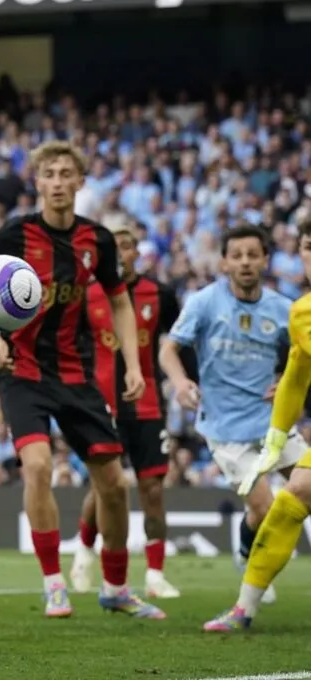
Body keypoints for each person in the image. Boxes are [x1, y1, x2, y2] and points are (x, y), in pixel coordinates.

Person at [0, 141, 163, 619]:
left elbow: (119, 299)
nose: (57, 182)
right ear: (37, 182)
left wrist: (134, 366)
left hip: (75, 375)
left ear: (80, 181)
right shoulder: (14, 236)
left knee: (114, 485)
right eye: (48, 174)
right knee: (37, 467)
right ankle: (54, 583)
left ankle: (116, 588)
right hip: (23, 371)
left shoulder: (97, 239)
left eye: (65, 173)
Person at [158, 224, 300, 608]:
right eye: (237, 255)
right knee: (265, 507)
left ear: (265, 260)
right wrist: (180, 381)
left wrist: (288, 379)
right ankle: (247, 555)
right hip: (226, 429)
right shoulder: (205, 303)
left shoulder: (283, 309)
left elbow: (303, 356)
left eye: (253, 255)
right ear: (224, 261)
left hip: (275, 423)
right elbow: (168, 350)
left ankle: (248, 550)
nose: (245, 262)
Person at [204, 217, 311, 631]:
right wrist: (277, 436)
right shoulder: (301, 313)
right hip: (232, 426)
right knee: (295, 493)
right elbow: (295, 377)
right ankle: (243, 610)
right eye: (307, 246)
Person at [72, 221, 181, 599]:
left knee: (152, 490)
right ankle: (84, 552)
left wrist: (187, 381)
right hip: (103, 404)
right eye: (114, 247)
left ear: (138, 252)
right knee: (105, 487)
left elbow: (178, 344)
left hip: (149, 404)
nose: (121, 254)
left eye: (128, 246)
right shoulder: (86, 295)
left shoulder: (161, 294)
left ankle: (154, 575)